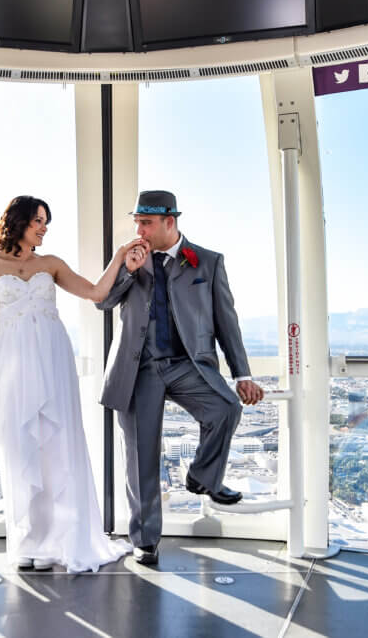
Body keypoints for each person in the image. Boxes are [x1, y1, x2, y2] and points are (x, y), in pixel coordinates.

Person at [0, 195, 145, 573]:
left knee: (56, 446)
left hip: (53, 359)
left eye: (46, 223)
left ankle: (60, 541)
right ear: (19, 221)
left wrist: (121, 257)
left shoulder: (51, 264)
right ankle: (28, 541)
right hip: (12, 362)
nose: (44, 228)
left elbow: (96, 293)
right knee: (19, 445)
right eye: (39, 220)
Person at [96, 190, 265, 565]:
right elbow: (102, 302)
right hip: (139, 367)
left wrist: (242, 374)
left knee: (225, 409)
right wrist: (127, 269)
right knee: (141, 457)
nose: (138, 229)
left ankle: (203, 478)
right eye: (137, 221)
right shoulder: (131, 259)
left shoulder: (207, 261)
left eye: (146, 222)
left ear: (170, 222)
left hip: (189, 364)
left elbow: (226, 322)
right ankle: (145, 540)